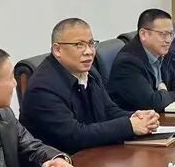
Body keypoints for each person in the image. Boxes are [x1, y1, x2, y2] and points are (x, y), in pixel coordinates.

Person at [20, 18, 159, 153]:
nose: (89, 51)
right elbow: (74, 135)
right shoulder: (42, 87)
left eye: (91, 43)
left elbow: (108, 110)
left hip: (93, 152)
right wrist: (129, 126)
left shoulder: (89, 71)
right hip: (63, 161)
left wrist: (136, 117)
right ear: (57, 50)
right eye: (79, 45)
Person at [107, 9, 175, 113]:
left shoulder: (164, 52)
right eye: (163, 34)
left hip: (160, 116)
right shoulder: (128, 63)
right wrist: (164, 91)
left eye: (171, 34)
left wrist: (162, 95)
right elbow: (152, 104)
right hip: (134, 119)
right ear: (143, 34)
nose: (168, 40)